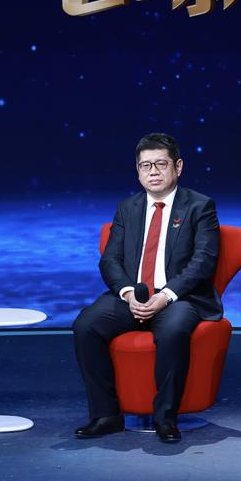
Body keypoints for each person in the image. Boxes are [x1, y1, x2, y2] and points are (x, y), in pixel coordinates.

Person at [72, 133, 221, 443]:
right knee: (86, 325)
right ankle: (106, 415)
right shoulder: (128, 207)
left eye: (160, 164)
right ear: (137, 171)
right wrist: (128, 293)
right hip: (132, 296)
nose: (153, 172)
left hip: (179, 297)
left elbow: (203, 261)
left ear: (178, 166)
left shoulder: (200, 206)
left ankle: (165, 418)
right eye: (145, 166)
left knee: (174, 330)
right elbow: (110, 260)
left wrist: (165, 296)